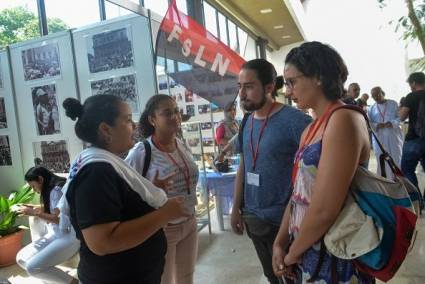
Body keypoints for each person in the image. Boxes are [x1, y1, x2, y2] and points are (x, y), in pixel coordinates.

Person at [272, 41, 373, 283]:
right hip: (306, 249)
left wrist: (291, 256)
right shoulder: (312, 127)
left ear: (317, 76)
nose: (287, 91)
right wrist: (280, 242)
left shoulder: (343, 120)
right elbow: (299, 194)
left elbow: (325, 209)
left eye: (291, 82)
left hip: (337, 253)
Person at [61, 95, 189, 283]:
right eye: (128, 120)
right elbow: (102, 242)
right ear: (106, 129)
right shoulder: (96, 173)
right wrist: (164, 214)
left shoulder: (105, 163)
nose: (135, 125)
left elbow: (120, 207)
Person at [231, 59, 311, 284]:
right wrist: (236, 207)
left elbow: (313, 173)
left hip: (285, 223)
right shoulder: (246, 122)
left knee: (293, 278)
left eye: (248, 86)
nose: (241, 94)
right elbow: (244, 165)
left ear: (268, 88)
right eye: (239, 87)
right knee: (271, 277)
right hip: (254, 219)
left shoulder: (295, 121)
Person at [126, 95, 199, 284]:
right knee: (163, 281)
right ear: (152, 119)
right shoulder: (141, 152)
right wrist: (152, 188)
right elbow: (125, 192)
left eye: (176, 111)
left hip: (190, 222)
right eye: (167, 113)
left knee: (186, 278)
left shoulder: (180, 144)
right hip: (163, 229)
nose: (175, 116)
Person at [16, 166, 80, 284]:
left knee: (32, 267)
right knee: (21, 259)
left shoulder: (57, 190)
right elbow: (53, 209)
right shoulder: (50, 189)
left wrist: (34, 212)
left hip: (69, 236)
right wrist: (33, 208)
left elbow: (58, 219)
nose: (34, 190)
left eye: (33, 186)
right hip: (55, 234)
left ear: (40, 179)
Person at [367, 86, 403, 179]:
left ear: (383, 93)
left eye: (377, 95)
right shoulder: (371, 108)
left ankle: (398, 179)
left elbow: (400, 118)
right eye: (373, 96)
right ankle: (384, 179)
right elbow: (369, 122)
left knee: (396, 157)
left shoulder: (393, 104)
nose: (376, 97)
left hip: (393, 136)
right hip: (379, 137)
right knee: (381, 159)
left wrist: (391, 123)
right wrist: (377, 125)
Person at [399, 72, 425, 190]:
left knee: (407, 169)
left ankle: (417, 201)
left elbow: (402, 117)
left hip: (414, 139)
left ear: (413, 83)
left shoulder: (411, 96)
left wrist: (400, 108)